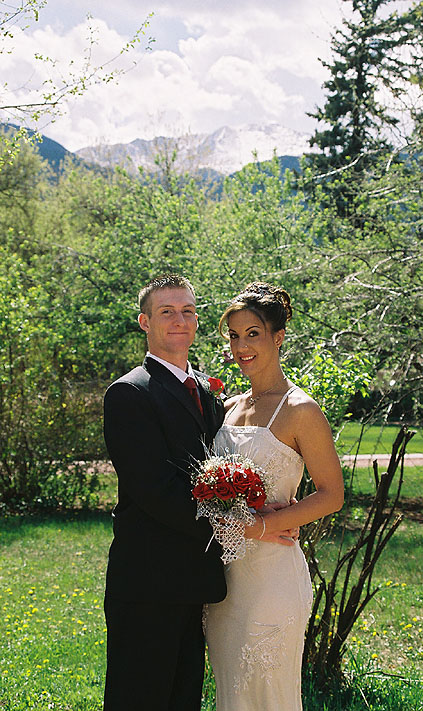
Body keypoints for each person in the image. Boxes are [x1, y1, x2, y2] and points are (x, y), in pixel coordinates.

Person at [204, 281, 344, 711]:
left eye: (253, 334)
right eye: (234, 335)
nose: (241, 346)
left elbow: (332, 495)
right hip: (223, 582)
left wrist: (263, 525)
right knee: (232, 695)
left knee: (268, 694)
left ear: (278, 337)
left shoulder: (301, 410)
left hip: (272, 579)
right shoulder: (227, 408)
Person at [102, 274, 228, 711]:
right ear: (145, 322)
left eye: (188, 311)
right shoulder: (129, 392)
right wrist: (238, 527)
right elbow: (154, 489)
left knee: (183, 699)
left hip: (196, 580)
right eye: (167, 312)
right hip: (148, 582)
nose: (180, 320)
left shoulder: (209, 390)